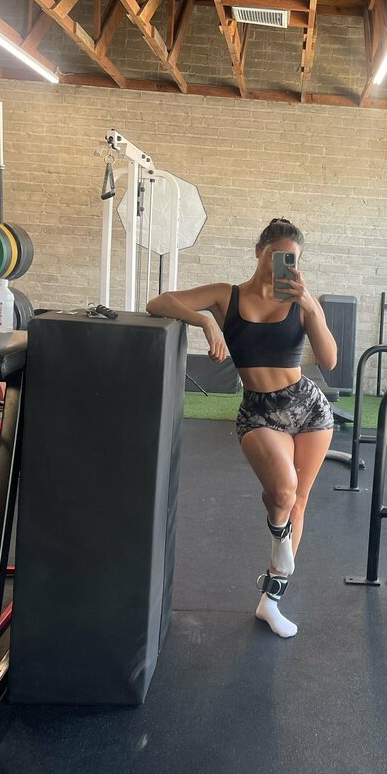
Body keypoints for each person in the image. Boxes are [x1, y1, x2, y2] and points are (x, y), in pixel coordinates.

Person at [146, 218, 337, 639]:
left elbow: (329, 362)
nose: (282, 265)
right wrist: (206, 322)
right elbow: (158, 302)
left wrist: (310, 306)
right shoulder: (226, 295)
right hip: (259, 412)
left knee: (298, 501)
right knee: (282, 491)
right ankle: (279, 540)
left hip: (308, 409)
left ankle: (271, 599)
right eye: (275, 256)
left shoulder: (301, 301)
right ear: (258, 251)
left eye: (291, 259)